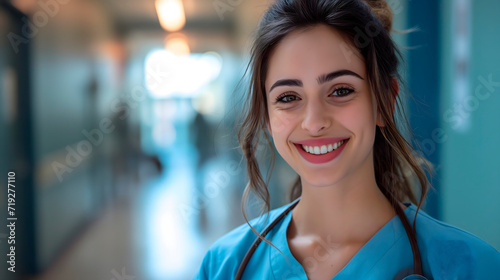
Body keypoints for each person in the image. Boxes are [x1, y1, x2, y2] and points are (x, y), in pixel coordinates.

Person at [193, 0, 500, 279]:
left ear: (384, 103)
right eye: (288, 97)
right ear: (269, 119)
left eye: (341, 90)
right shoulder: (224, 265)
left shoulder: (472, 266)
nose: (314, 123)